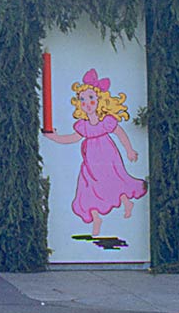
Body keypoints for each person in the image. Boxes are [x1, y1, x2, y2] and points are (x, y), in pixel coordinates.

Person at [43, 67, 146, 237]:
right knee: (87, 188)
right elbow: (71, 138)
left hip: (108, 158)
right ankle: (95, 218)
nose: (86, 103)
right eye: (82, 99)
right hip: (90, 162)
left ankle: (126, 202)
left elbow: (120, 133)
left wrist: (129, 150)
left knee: (115, 180)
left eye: (91, 98)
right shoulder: (83, 126)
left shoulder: (106, 121)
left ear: (101, 100)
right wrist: (53, 137)